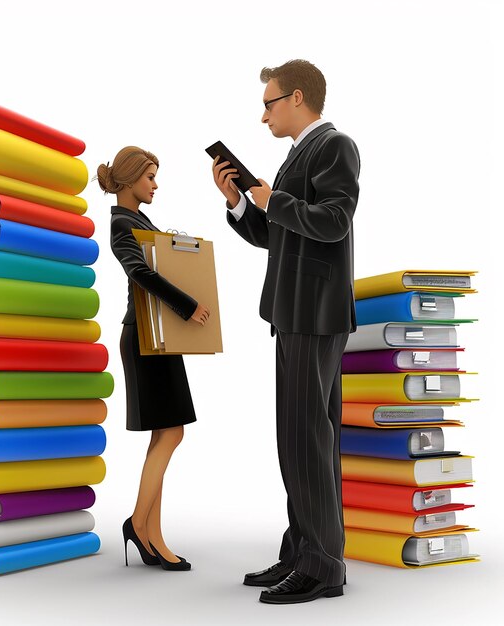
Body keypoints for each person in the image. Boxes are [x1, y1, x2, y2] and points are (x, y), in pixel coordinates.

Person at [211, 59, 360, 604]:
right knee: (300, 440)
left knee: (308, 441)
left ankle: (324, 568)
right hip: (293, 311)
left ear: (297, 98)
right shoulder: (299, 154)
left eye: (269, 103)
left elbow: (335, 221)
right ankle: (303, 551)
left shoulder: (335, 146)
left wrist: (274, 199)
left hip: (315, 313)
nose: (263, 114)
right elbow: (279, 237)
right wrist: (239, 202)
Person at [99, 146, 210, 572]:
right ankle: (138, 522)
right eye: (149, 177)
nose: (155, 184)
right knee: (171, 434)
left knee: (164, 434)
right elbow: (141, 273)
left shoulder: (138, 221)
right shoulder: (121, 224)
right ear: (128, 182)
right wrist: (188, 305)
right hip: (145, 336)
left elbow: (158, 263)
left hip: (155, 336)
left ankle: (152, 536)